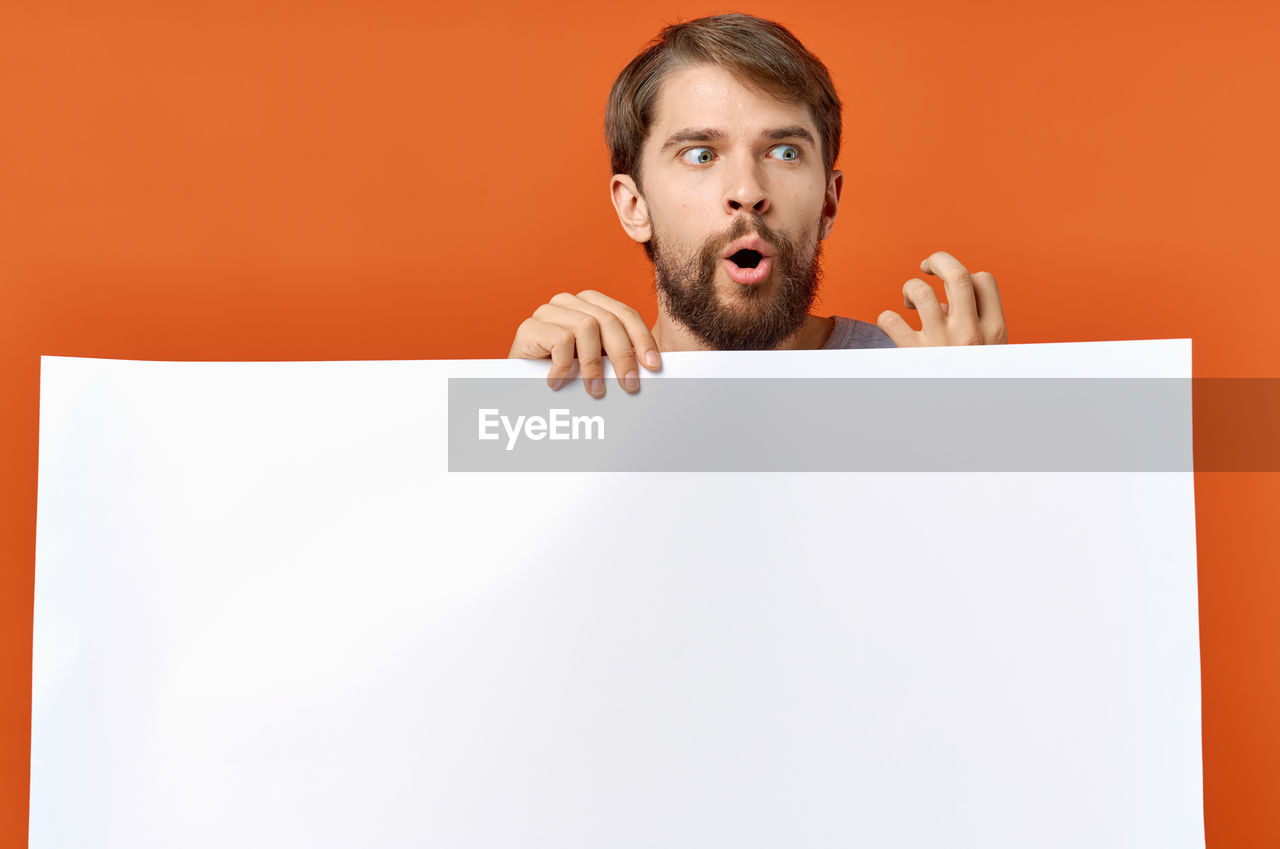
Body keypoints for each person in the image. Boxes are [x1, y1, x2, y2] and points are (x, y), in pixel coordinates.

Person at [508, 13, 1007, 396]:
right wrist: (516, 404)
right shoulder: (574, 380)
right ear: (634, 206)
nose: (747, 192)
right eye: (700, 155)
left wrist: (977, 415)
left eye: (785, 153)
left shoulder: (927, 373)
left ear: (828, 205)